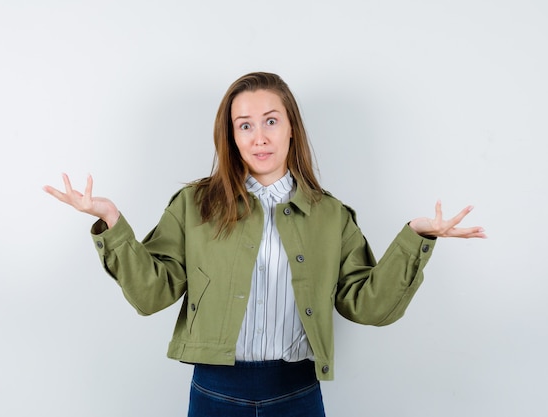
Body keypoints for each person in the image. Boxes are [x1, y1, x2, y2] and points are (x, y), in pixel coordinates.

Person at [43, 72, 486, 417]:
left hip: (297, 394)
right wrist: (112, 222)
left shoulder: (330, 215)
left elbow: (368, 306)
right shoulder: (194, 205)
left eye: (271, 121)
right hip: (215, 394)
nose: (260, 137)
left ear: (291, 128)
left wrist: (417, 237)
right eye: (245, 125)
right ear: (232, 137)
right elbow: (150, 295)